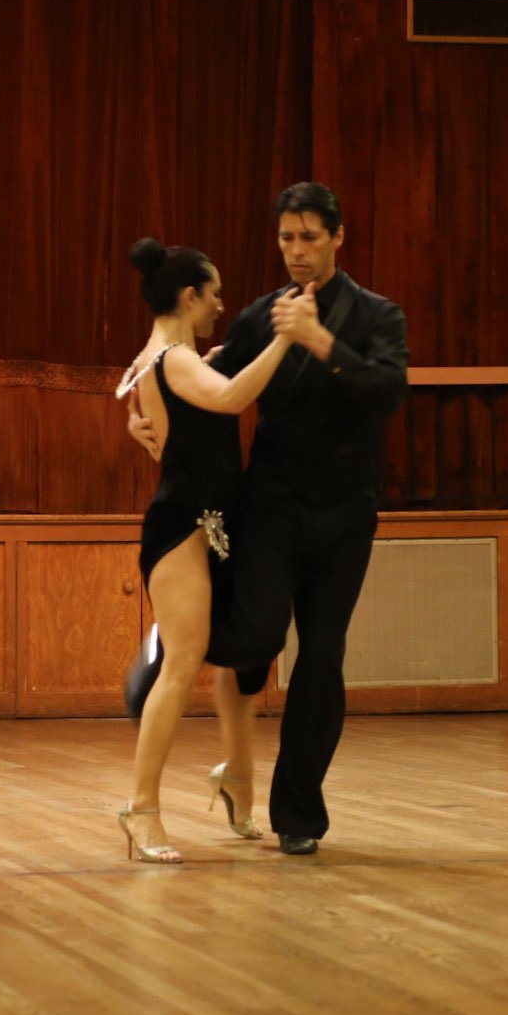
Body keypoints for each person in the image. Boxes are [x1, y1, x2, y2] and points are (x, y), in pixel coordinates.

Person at [128, 183, 409, 856]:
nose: (296, 250)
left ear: (337, 237)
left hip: (345, 512)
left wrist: (320, 342)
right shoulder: (262, 315)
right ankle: (168, 649)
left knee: (322, 658)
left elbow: (386, 391)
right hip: (272, 506)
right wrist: (141, 415)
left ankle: (298, 816)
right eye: (287, 238)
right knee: (253, 640)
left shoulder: (377, 315)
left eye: (309, 237)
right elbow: (190, 370)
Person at [114, 237, 300, 863]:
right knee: (184, 662)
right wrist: (285, 339)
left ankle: (238, 779)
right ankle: (141, 809)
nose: (222, 304)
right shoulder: (171, 359)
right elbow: (229, 398)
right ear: (189, 296)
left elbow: (175, 391)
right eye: (214, 294)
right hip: (182, 530)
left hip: (216, 524)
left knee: (245, 657)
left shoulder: (170, 358)